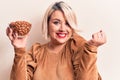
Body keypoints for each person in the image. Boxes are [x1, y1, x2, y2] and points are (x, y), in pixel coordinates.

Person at [6, 1, 106, 80]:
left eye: (67, 23)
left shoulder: (78, 46)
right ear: (47, 24)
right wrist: (19, 49)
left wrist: (91, 48)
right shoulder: (36, 52)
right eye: (56, 22)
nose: (62, 28)